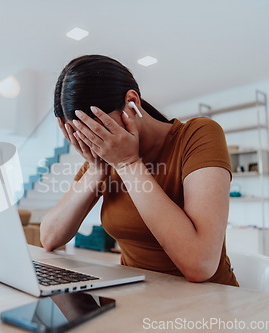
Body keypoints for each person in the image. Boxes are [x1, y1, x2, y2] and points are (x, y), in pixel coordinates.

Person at [40, 54, 238, 286]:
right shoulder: (104, 157)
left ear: (131, 102)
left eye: (96, 129)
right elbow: (49, 237)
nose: (92, 141)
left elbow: (200, 265)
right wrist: (96, 169)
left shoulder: (198, 135)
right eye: (80, 134)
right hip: (137, 297)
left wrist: (128, 164)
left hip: (206, 302)